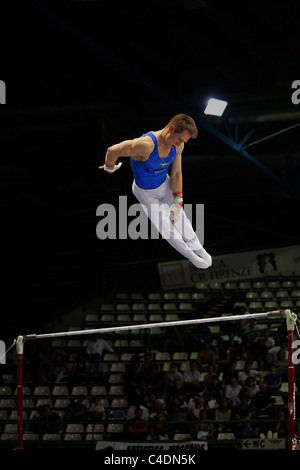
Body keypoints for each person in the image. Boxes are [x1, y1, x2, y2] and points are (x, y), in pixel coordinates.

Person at [99, 114, 212, 269]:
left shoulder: (178, 146)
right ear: (171, 129)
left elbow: (177, 173)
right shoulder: (145, 145)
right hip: (145, 192)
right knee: (165, 226)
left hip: (164, 184)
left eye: (183, 141)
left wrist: (178, 202)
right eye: (179, 139)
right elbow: (112, 150)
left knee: (180, 218)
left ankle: (199, 248)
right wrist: (110, 167)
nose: (179, 144)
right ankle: (191, 255)